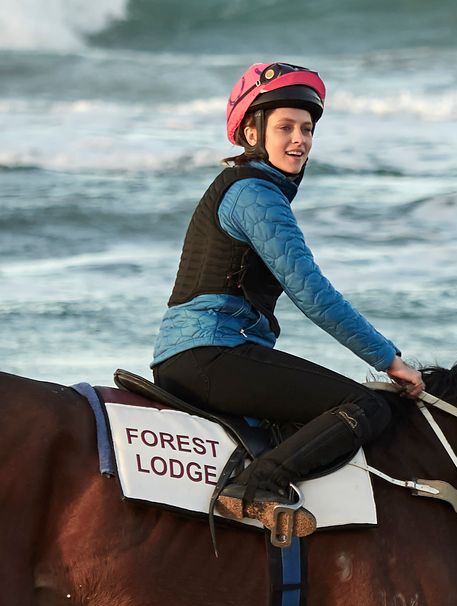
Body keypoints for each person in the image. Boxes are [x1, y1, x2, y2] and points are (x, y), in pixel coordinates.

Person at [151, 62, 424, 539]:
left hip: (198, 355)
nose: (299, 140)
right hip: (209, 355)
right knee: (366, 406)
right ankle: (256, 486)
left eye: (307, 129)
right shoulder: (254, 194)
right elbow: (311, 292)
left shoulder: (252, 188)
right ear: (252, 133)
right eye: (285, 128)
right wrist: (389, 360)